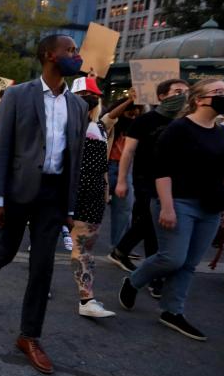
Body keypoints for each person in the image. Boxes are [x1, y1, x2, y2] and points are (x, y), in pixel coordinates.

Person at [0, 34, 88, 375]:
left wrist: (70, 208)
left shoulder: (78, 105)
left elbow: (75, 160)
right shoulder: (18, 95)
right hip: (19, 191)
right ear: (49, 55)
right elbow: (3, 147)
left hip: (53, 195)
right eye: (70, 51)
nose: (75, 56)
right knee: (5, 252)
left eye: (76, 52)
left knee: (43, 266)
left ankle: (29, 336)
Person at [119, 79, 224, 340]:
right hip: (178, 201)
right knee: (173, 257)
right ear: (199, 99)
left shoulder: (223, 133)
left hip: (211, 205)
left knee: (189, 264)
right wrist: (167, 206)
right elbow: (162, 170)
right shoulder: (177, 129)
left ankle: (172, 311)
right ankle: (134, 280)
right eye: (218, 92)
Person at [108, 79, 190, 280]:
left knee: (153, 223)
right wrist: (121, 181)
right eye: (177, 91)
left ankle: (128, 254)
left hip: (173, 181)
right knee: (151, 221)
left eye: (186, 92)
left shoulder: (184, 122)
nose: (183, 96)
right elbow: (128, 152)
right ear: (161, 97)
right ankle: (151, 272)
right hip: (146, 178)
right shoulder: (144, 121)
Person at [70, 94, 116, 318]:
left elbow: (103, 165)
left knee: (85, 246)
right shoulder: (70, 128)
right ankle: (40, 283)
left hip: (94, 192)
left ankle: (87, 299)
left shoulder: (100, 128)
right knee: (47, 243)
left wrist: (105, 189)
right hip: (71, 189)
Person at [100, 90, 140, 250]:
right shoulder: (111, 126)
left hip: (126, 169)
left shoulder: (137, 128)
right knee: (92, 207)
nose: (133, 115)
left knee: (124, 210)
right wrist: (129, 100)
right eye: (130, 112)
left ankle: (119, 248)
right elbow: (110, 116)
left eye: (136, 113)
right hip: (107, 168)